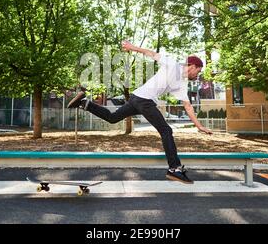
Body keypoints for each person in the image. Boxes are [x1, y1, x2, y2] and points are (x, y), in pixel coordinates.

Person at [67, 40, 213, 184]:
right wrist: (131, 47)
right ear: (192, 66)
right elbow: (151, 53)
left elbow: (188, 106)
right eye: (198, 71)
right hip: (145, 100)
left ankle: (84, 103)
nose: (197, 75)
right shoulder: (173, 64)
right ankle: (174, 168)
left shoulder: (182, 83)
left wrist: (199, 126)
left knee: (112, 118)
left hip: (137, 98)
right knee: (166, 131)